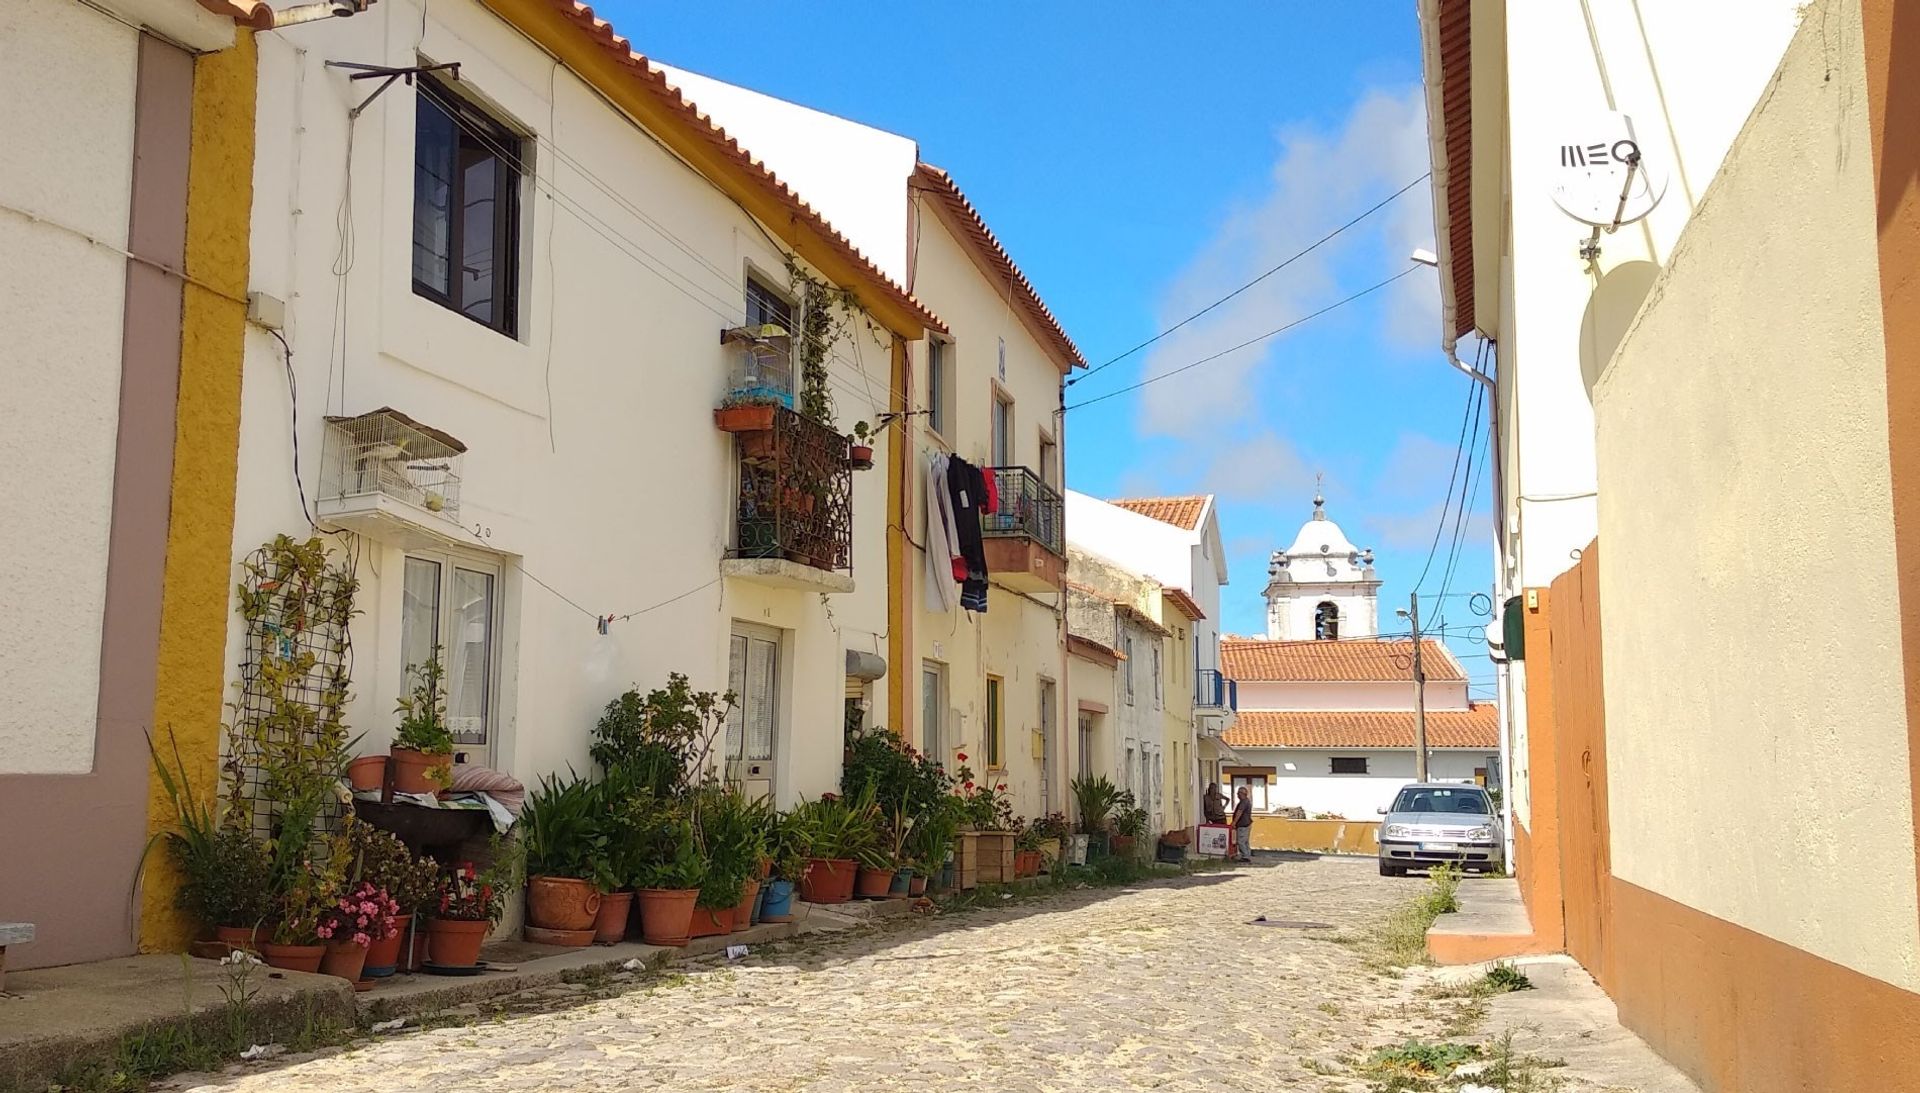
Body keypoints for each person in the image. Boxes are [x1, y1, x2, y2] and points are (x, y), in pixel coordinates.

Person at [1231, 785, 1254, 863]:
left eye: (1238, 793)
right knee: (1245, 841)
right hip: (1247, 824)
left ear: (1242, 793)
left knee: (1241, 841)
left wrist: (1234, 822)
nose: (1237, 795)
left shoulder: (1244, 802)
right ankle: (1247, 855)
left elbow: (1239, 812)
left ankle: (1245, 856)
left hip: (1243, 825)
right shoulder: (1246, 801)